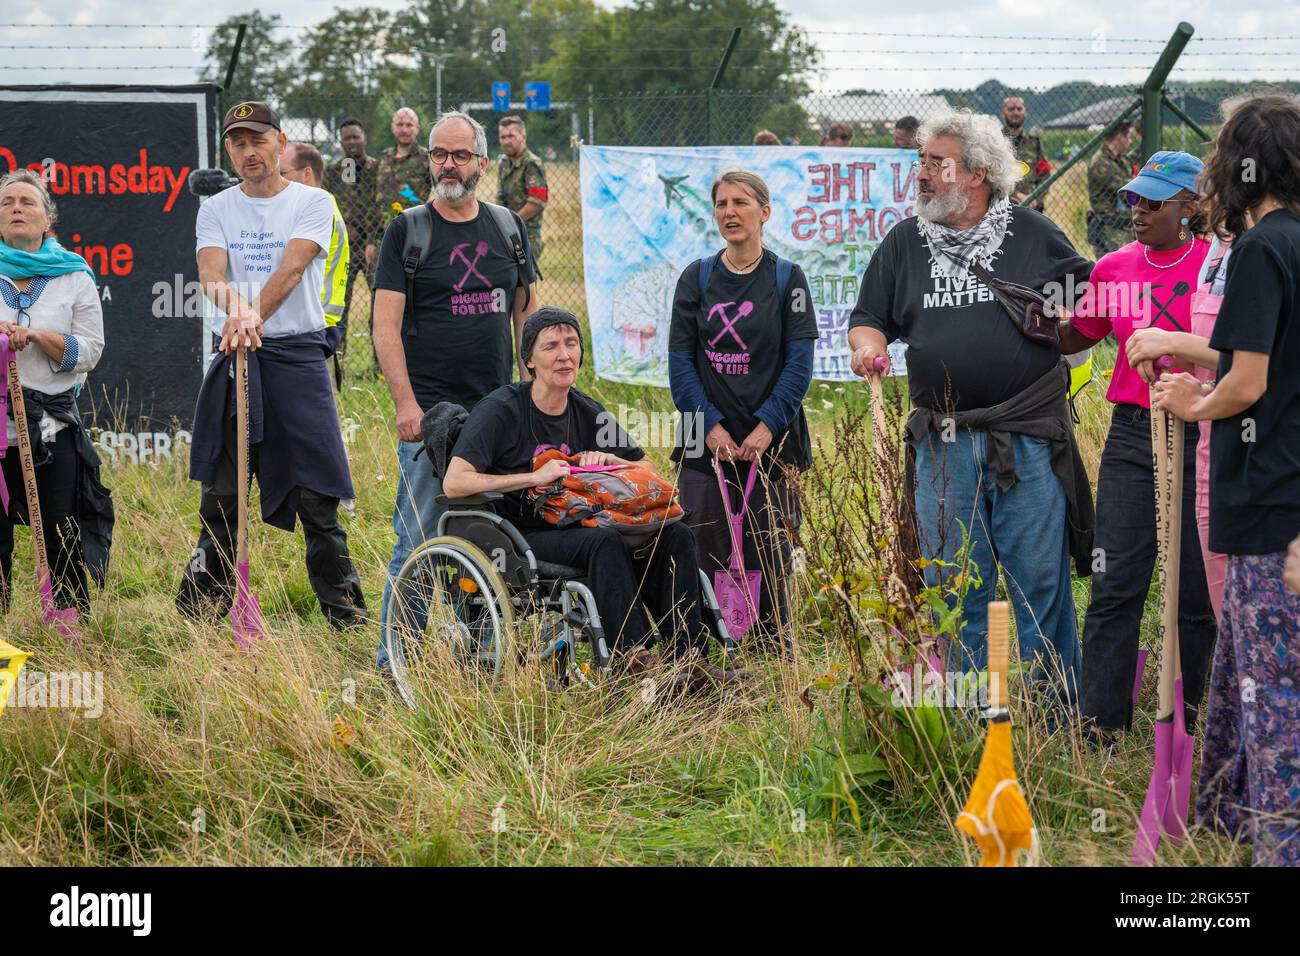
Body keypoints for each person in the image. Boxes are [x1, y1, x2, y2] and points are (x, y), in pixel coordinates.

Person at [847, 110, 1094, 712]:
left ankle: (1048, 710)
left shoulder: (1032, 234)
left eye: (937, 163)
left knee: (1038, 578)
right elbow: (869, 318)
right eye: (921, 162)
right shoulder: (905, 241)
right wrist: (869, 348)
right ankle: (975, 709)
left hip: (1028, 439)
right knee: (956, 579)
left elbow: (1088, 304)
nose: (922, 175)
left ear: (977, 173)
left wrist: (1067, 332)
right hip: (943, 444)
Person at [1151, 90, 1300, 867]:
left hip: (1268, 501)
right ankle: (1228, 821)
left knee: (1274, 696)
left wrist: (1192, 401)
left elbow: (1247, 383)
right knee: (1246, 675)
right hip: (1281, 498)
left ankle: (1281, 846)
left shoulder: (1260, 250)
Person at [444, 308, 736, 688]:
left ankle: (690, 660)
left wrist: (610, 459)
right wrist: (535, 476)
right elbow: (455, 482)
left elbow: (644, 466)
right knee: (604, 542)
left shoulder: (586, 409)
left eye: (571, 344)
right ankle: (635, 658)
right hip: (521, 533)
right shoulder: (501, 410)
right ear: (529, 359)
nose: (564, 354)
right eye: (550, 346)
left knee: (676, 534)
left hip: (585, 521)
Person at [177, 101, 367, 629]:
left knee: (317, 496)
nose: (248, 151)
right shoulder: (215, 208)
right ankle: (203, 610)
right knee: (222, 493)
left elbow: (295, 264)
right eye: (237, 143)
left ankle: (344, 613)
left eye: (257, 140)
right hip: (237, 357)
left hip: (298, 357)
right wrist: (237, 312)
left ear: (281, 144)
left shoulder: (314, 200)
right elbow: (211, 275)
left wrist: (250, 315)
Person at [1058, 150, 1217, 745]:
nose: (1137, 210)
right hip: (1133, 430)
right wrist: (1037, 322)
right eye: (1132, 199)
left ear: (1191, 206)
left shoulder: (1215, 265)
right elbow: (1080, 333)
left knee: (1197, 589)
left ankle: (1195, 724)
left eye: (1154, 201)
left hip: (1204, 424)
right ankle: (1101, 727)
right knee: (1115, 579)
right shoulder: (1116, 268)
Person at [371, 110, 537, 670]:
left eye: (461, 155)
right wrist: (405, 406)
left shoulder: (508, 228)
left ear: (482, 164)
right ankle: (399, 660)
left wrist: (534, 392)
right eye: (440, 153)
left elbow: (527, 315)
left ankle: (480, 654)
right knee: (418, 535)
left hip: (497, 412)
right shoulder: (409, 231)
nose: (448, 164)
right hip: (431, 417)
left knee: (489, 536)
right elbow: (384, 325)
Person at [669, 170, 816, 648]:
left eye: (741, 203)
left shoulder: (788, 279)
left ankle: (773, 649)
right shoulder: (696, 278)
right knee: (700, 542)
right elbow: (680, 363)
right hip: (703, 442)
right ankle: (706, 646)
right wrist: (707, 425)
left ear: (764, 213)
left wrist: (767, 427)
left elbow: (798, 367)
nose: (729, 212)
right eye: (721, 204)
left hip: (770, 443)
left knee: (769, 547)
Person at [0, 169, 111, 615]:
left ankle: (67, 625)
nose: (16, 209)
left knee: (61, 528)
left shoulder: (74, 276)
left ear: (48, 220)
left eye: (27, 202)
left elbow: (91, 350)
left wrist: (42, 337)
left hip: (50, 425)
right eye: (7, 203)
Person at [280, 142, 350, 359]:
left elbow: (290, 268)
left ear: (307, 173)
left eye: (282, 173)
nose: (276, 180)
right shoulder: (321, 205)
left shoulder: (317, 212)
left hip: (315, 323)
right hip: (316, 321)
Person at [323, 118, 379, 345]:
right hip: (342, 245)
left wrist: (372, 236)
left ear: (364, 138)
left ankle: (380, 364)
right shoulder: (333, 172)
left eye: (356, 137)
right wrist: (341, 226)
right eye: (347, 138)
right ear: (341, 142)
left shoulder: (377, 170)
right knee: (339, 304)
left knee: (379, 301)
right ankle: (337, 354)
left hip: (370, 244)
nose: (352, 142)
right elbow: (322, 204)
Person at [496, 115, 548, 267]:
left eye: (511, 136)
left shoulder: (532, 164)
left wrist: (511, 222)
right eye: (502, 137)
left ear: (523, 136)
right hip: (506, 234)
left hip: (527, 236)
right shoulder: (504, 163)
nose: (506, 141)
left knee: (525, 285)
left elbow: (537, 202)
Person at [375, 107, 434, 234]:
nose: (404, 130)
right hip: (384, 233)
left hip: (416, 231)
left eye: (409, 125)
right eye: (400, 124)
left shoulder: (428, 159)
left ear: (417, 128)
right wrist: (371, 239)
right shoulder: (383, 158)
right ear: (393, 128)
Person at [1086, 121, 1135, 257]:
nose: (1131, 142)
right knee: (1117, 273)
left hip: (1123, 227)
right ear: (1120, 137)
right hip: (1110, 229)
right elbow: (1127, 189)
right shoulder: (1101, 162)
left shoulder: (1120, 159)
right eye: (1129, 137)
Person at [1001, 96, 1049, 210]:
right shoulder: (995, 141)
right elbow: (989, 176)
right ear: (1003, 113)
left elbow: (1045, 173)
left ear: (1025, 112)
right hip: (1002, 206)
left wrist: (1036, 198)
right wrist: (1015, 195)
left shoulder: (1035, 143)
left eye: (1019, 109)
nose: (1015, 112)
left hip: (1032, 207)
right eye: (1011, 109)